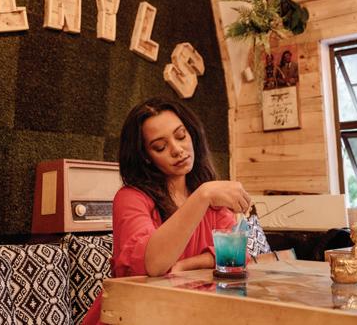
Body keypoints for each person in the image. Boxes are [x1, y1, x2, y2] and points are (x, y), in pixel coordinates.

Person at [82, 97, 251, 325]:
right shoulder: (131, 198)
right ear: (146, 157)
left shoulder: (209, 199)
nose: (177, 150)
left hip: (191, 314)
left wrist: (184, 266)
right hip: (133, 316)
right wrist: (203, 195)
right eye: (160, 147)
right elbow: (153, 264)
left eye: (181, 136)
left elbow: (236, 255)